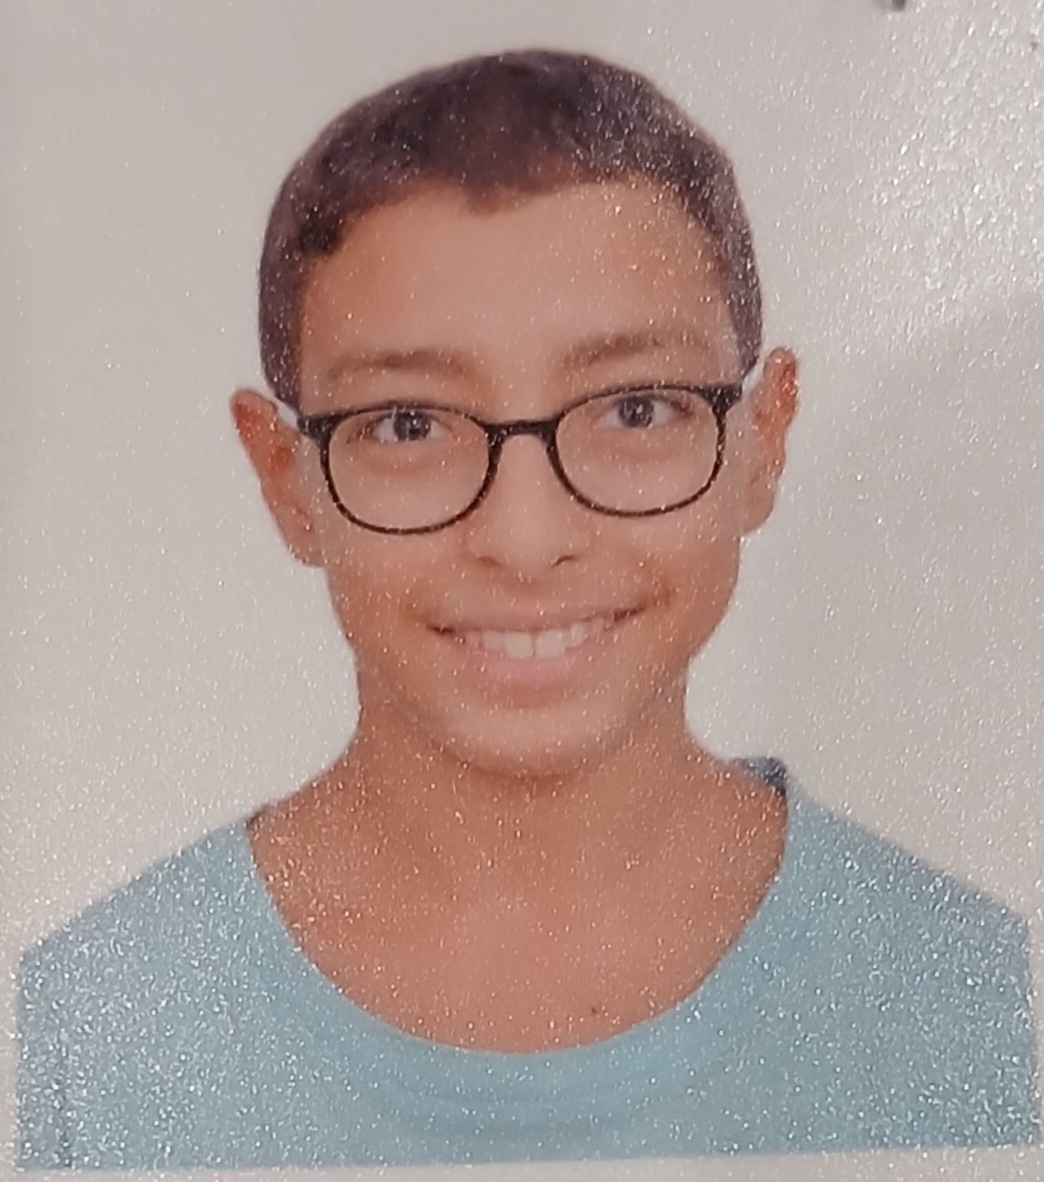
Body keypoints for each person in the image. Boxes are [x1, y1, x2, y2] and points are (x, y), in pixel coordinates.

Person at [17, 49, 1039, 1170]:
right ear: (284, 480)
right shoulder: (84, 1035)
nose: (525, 538)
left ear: (764, 442)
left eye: (636, 409)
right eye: (409, 424)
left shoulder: (980, 997)